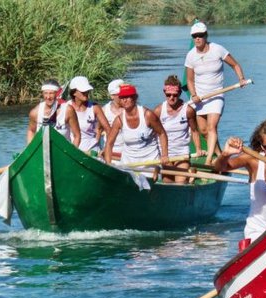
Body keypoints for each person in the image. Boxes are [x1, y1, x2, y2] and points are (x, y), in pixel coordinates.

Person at [184, 21, 247, 166]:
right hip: (200, 98)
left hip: (217, 95)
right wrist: (193, 95)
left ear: (206, 35)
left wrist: (241, 78)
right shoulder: (191, 55)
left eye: (200, 35)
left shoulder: (217, 49)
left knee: (212, 127)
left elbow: (235, 64)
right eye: (194, 36)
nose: (197, 39)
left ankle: (208, 161)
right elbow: (189, 79)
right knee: (204, 131)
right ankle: (220, 156)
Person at [103, 84, 169, 174]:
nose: (124, 100)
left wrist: (164, 155)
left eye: (127, 97)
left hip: (149, 163)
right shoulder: (119, 120)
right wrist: (108, 164)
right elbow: (109, 143)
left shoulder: (148, 115)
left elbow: (162, 133)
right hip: (128, 164)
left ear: (135, 97)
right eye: (122, 98)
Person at [153, 75, 202, 183]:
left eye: (175, 95)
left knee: (180, 184)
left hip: (182, 153)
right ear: (164, 92)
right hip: (166, 154)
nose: (171, 98)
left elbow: (194, 131)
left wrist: (198, 149)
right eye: (168, 95)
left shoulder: (188, 110)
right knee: (168, 185)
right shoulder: (158, 111)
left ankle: (188, 175)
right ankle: (191, 174)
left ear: (179, 93)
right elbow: (152, 134)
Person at [27, 79, 80, 146]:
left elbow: (77, 135)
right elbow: (31, 131)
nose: (48, 97)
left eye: (51, 93)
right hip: (41, 150)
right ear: (42, 94)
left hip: (64, 151)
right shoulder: (35, 112)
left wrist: (73, 153)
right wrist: (30, 148)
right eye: (45, 93)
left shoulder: (68, 110)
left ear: (57, 94)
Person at [66, 76, 111, 154]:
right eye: (83, 91)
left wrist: (107, 148)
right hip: (72, 151)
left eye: (87, 90)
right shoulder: (66, 108)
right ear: (74, 93)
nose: (86, 93)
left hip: (92, 152)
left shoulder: (95, 107)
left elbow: (109, 130)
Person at [102, 79, 125, 156]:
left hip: (128, 153)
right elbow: (97, 130)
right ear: (112, 96)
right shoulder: (104, 110)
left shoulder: (130, 109)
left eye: (124, 94)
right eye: (120, 95)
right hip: (111, 152)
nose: (123, 97)